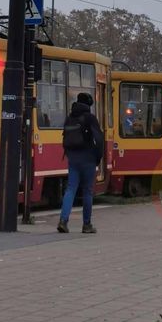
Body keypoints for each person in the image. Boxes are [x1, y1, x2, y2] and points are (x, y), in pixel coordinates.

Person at [57, 92, 104, 234]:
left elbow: (65, 139)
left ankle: (63, 221)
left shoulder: (70, 118)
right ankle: (86, 225)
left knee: (70, 189)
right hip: (88, 159)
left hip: (73, 158)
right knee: (88, 192)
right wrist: (98, 157)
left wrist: (70, 155)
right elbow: (99, 139)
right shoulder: (90, 118)